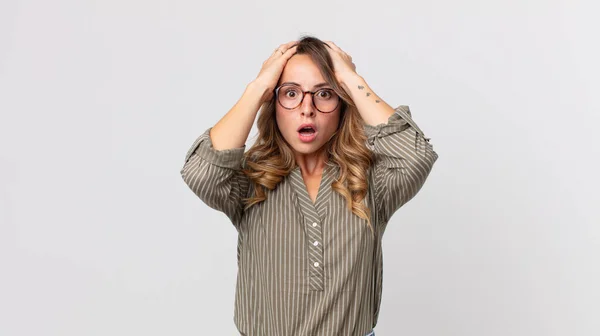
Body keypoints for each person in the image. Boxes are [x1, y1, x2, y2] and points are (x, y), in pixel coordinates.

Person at [180, 35, 438, 336]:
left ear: (342, 104)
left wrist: (351, 79)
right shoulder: (250, 181)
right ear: (273, 104)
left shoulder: (371, 182)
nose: (307, 108)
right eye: (291, 94)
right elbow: (200, 172)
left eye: (324, 94)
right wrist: (258, 88)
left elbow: (416, 155)